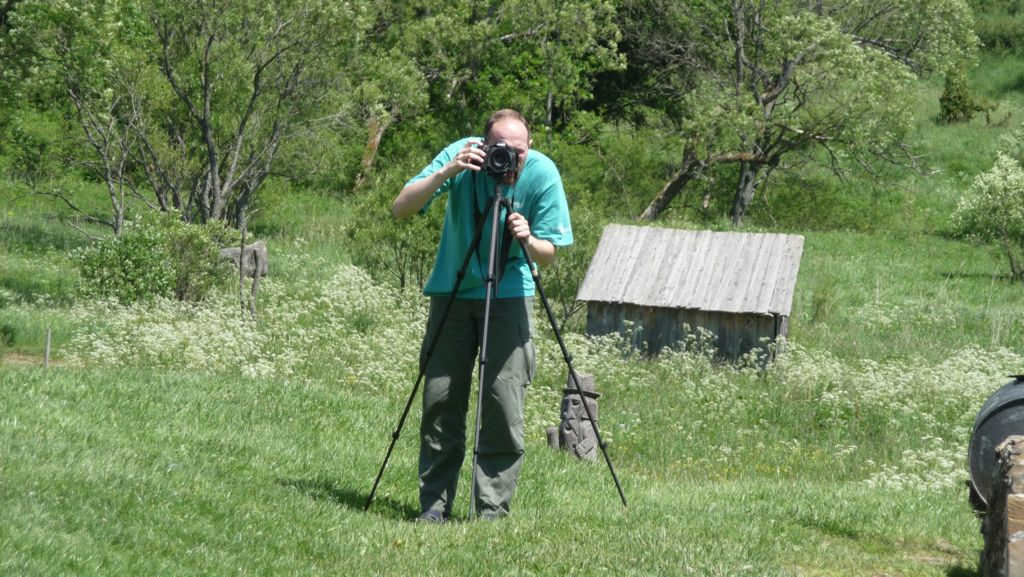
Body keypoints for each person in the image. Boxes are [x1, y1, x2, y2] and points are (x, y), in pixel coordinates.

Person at [392, 109, 573, 522]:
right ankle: (434, 507)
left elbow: (549, 253)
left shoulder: (543, 172)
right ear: (483, 144)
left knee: (503, 402)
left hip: (510, 294)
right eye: (499, 149)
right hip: (453, 290)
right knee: (441, 399)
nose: (509, 159)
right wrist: (448, 172)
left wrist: (528, 239)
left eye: (519, 152)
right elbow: (401, 207)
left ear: (530, 148)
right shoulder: (462, 154)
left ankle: (491, 510)